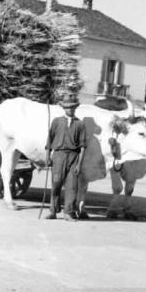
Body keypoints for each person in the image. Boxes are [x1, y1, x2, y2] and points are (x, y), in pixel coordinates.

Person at [44, 92, 86, 221]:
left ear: (75, 108)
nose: (70, 109)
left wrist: (79, 164)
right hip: (58, 156)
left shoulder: (80, 124)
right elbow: (49, 140)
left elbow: (83, 146)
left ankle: (68, 212)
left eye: (73, 107)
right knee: (56, 183)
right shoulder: (56, 121)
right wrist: (47, 156)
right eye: (68, 107)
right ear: (64, 108)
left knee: (72, 185)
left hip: (73, 157)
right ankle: (53, 210)